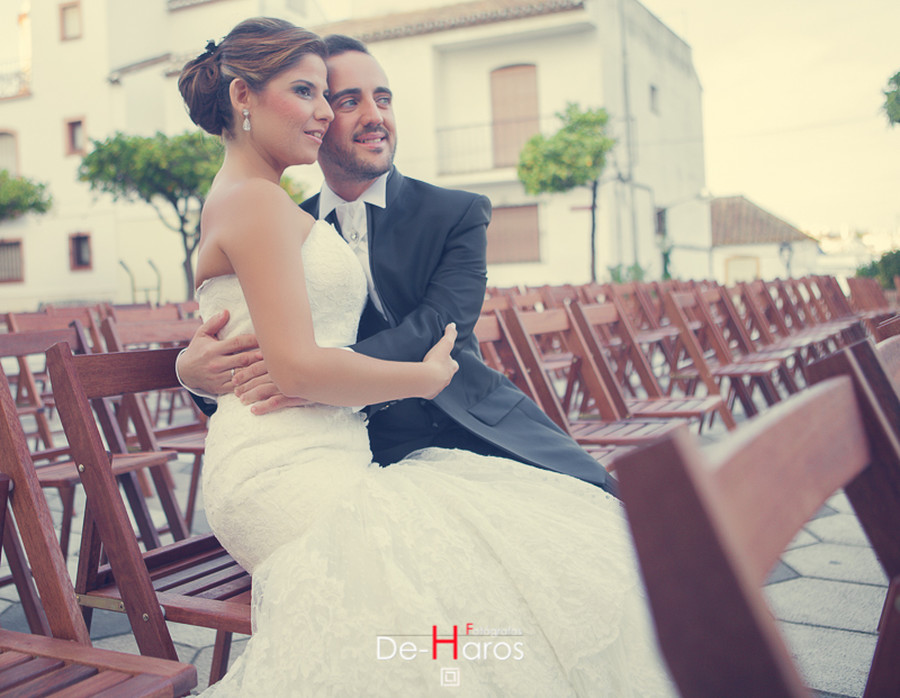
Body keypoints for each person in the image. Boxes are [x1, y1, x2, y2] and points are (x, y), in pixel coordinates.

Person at [178, 17, 674, 696]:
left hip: (440, 429)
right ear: (244, 97)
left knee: (565, 551)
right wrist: (201, 370)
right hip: (311, 458)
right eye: (325, 95)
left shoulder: (452, 212)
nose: (340, 112)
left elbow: (433, 327)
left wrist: (334, 369)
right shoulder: (270, 206)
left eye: (370, 97)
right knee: (464, 601)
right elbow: (256, 351)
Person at [175, 33, 619, 495]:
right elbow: (240, 347)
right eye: (346, 100)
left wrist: (311, 375)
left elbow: (437, 329)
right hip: (364, 449)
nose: (375, 117)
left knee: (613, 510)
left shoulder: (457, 212)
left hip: (474, 423)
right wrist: (190, 372)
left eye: (383, 98)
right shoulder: (284, 222)